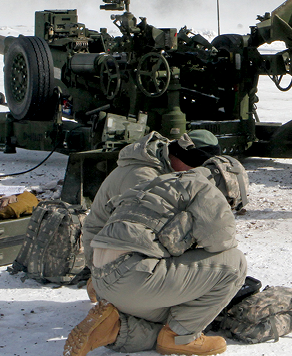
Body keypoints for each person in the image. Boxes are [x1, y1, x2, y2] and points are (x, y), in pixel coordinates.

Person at [65, 155, 249, 356]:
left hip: (103, 279)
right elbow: (222, 242)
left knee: (171, 315)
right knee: (235, 264)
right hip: (133, 275)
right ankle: (181, 338)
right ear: (230, 186)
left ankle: (115, 328)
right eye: (232, 203)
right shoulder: (206, 189)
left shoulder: (160, 180)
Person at [82, 131, 218, 300]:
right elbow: (153, 229)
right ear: (181, 157)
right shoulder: (142, 176)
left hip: (121, 240)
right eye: (196, 168)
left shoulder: (166, 165)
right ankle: (103, 288)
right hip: (107, 250)